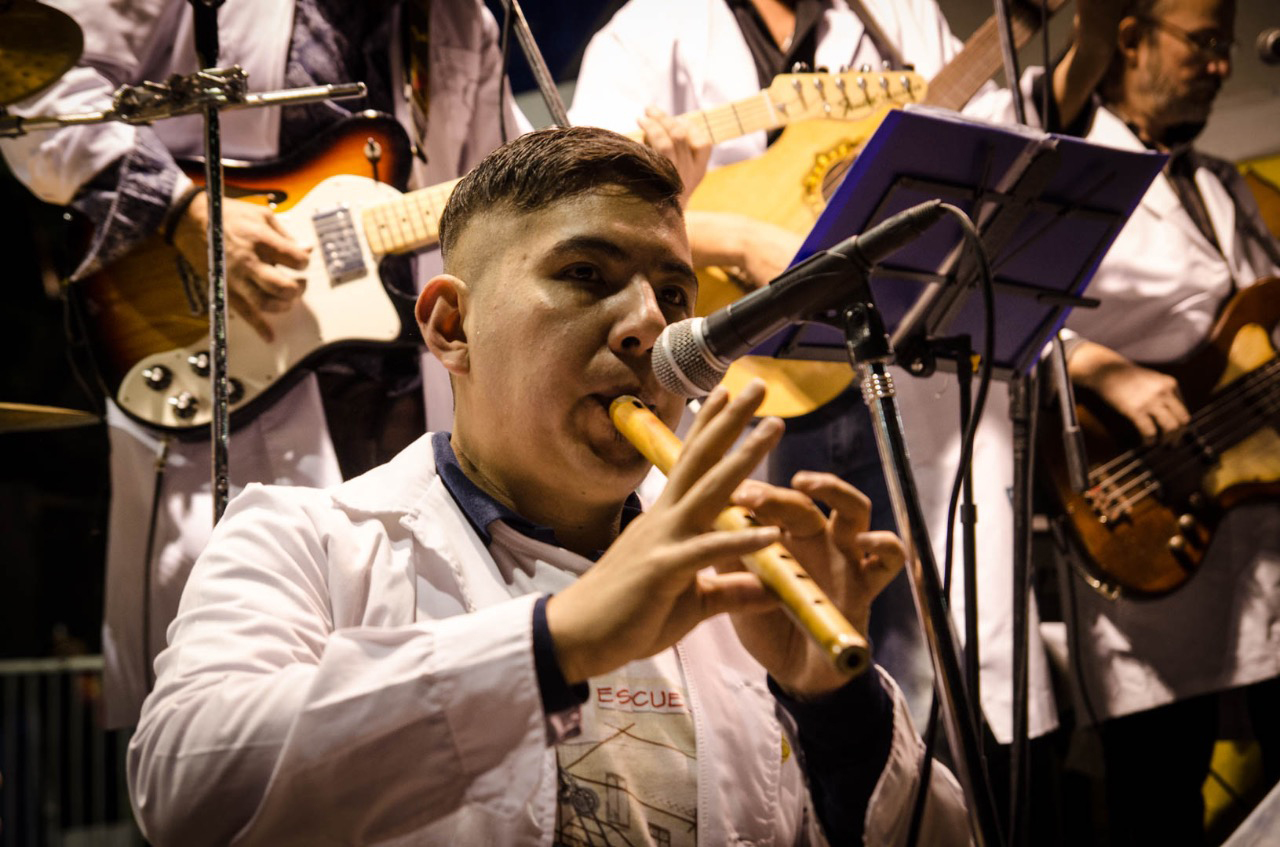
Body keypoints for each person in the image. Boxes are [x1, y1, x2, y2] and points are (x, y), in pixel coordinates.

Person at [126, 126, 969, 846]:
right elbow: (185, 788)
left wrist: (834, 706)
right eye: (585, 274)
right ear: (451, 327)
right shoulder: (301, 538)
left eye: (673, 293)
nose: (651, 325)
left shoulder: (740, 580)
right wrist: (554, 642)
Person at [0, 0, 526, 728]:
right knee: (233, 714)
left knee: (411, 712)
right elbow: (37, 88)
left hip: (410, 400)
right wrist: (183, 211)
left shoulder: (464, 18)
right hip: (215, 358)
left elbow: (505, 183)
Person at [567, 0, 1063, 763]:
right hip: (747, 378)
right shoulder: (645, 30)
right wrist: (742, 240)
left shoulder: (896, 14)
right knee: (769, 665)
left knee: (922, 652)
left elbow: (993, 152)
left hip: (885, 367)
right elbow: (587, 211)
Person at [1011, 0, 1280, 842]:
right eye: (1204, 43)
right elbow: (1000, 313)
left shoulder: (1223, 182)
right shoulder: (1067, 171)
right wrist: (1101, 367)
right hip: (1136, 505)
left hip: (1255, 514)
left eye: (1226, 47)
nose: (1223, 66)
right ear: (1129, 39)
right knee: (1158, 798)